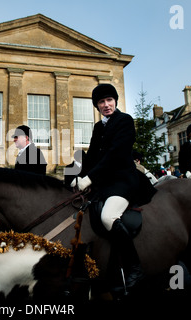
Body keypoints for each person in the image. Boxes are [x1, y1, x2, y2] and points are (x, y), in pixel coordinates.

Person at [71, 83, 144, 291]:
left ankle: (134, 268)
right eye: (101, 102)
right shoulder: (98, 127)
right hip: (104, 183)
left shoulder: (125, 121)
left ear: (115, 101)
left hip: (123, 181)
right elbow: (93, 156)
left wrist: (90, 178)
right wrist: (79, 177)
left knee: (108, 217)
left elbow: (116, 154)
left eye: (109, 100)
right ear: (97, 106)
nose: (106, 105)